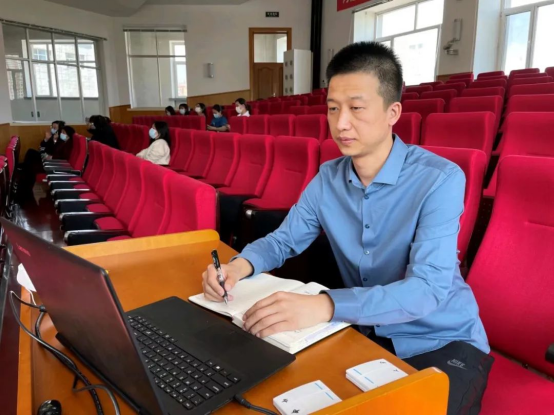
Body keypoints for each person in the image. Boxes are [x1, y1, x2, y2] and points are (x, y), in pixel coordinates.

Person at [202, 42, 493, 416]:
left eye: (356, 108)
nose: (340, 123)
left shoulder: (439, 179)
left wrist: (327, 305)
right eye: (333, 108)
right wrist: (237, 268)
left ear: (392, 112)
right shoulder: (328, 178)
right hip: (365, 329)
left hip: (440, 339)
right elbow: (284, 240)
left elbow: (427, 289)